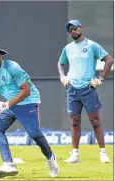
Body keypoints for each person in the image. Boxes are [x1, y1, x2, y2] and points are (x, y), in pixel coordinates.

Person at [0, 46, 59, 178]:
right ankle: (8, 163)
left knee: (34, 134)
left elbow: (26, 91)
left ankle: (50, 157)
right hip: (9, 104)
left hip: (28, 102)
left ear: (0, 57)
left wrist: (7, 104)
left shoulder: (12, 67)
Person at [58, 20, 114, 163]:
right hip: (72, 90)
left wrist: (100, 79)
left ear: (81, 28)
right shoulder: (68, 48)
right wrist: (62, 76)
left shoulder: (92, 45)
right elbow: (61, 62)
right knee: (75, 122)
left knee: (95, 121)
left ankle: (103, 152)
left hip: (88, 89)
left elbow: (109, 60)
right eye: (70, 30)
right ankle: (75, 154)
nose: (73, 31)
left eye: (75, 28)